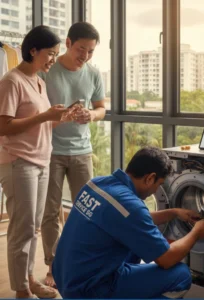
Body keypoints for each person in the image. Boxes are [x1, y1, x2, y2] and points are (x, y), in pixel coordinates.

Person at [52, 146, 204, 299]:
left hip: (64, 277)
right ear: (150, 178)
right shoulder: (130, 207)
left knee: (135, 242)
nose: (157, 190)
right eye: (158, 184)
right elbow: (167, 259)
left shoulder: (98, 183)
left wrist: (174, 213)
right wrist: (197, 232)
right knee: (182, 274)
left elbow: (132, 221)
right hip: (88, 290)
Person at [0, 26, 67, 299]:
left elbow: (41, 125)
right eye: (51, 54)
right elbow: (4, 126)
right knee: (22, 227)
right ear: (33, 51)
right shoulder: (11, 81)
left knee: (34, 226)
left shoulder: (39, 81)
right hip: (19, 162)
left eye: (56, 54)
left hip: (41, 160)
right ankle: (21, 290)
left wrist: (60, 118)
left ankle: (28, 279)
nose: (53, 59)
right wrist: (44, 117)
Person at [40, 22, 106, 287]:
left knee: (86, 211)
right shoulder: (47, 72)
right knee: (50, 212)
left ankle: (82, 263)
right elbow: (37, 115)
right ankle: (54, 268)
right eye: (81, 49)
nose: (85, 56)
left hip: (82, 152)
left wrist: (91, 114)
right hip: (51, 151)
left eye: (91, 51)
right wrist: (60, 116)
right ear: (67, 43)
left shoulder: (93, 73)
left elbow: (102, 108)